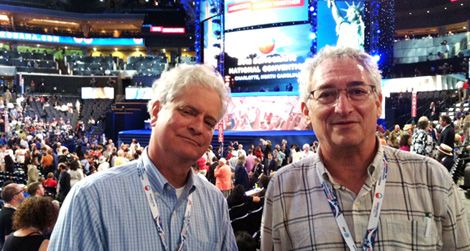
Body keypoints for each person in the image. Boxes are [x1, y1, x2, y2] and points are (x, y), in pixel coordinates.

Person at [261, 46, 470, 250]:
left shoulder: (432, 180)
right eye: (326, 94)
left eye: (357, 91)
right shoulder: (282, 189)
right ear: (306, 111)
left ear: (378, 103)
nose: (343, 108)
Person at [49, 64, 237, 250]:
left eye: (209, 122)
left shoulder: (214, 202)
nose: (198, 127)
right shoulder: (91, 198)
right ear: (155, 112)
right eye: (187, 112)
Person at [0, 183, 25, 248]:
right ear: (15, 196)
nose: (23, 192)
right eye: (21, 191)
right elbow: (8, 241)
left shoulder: (10, 210)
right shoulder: (9, 215)